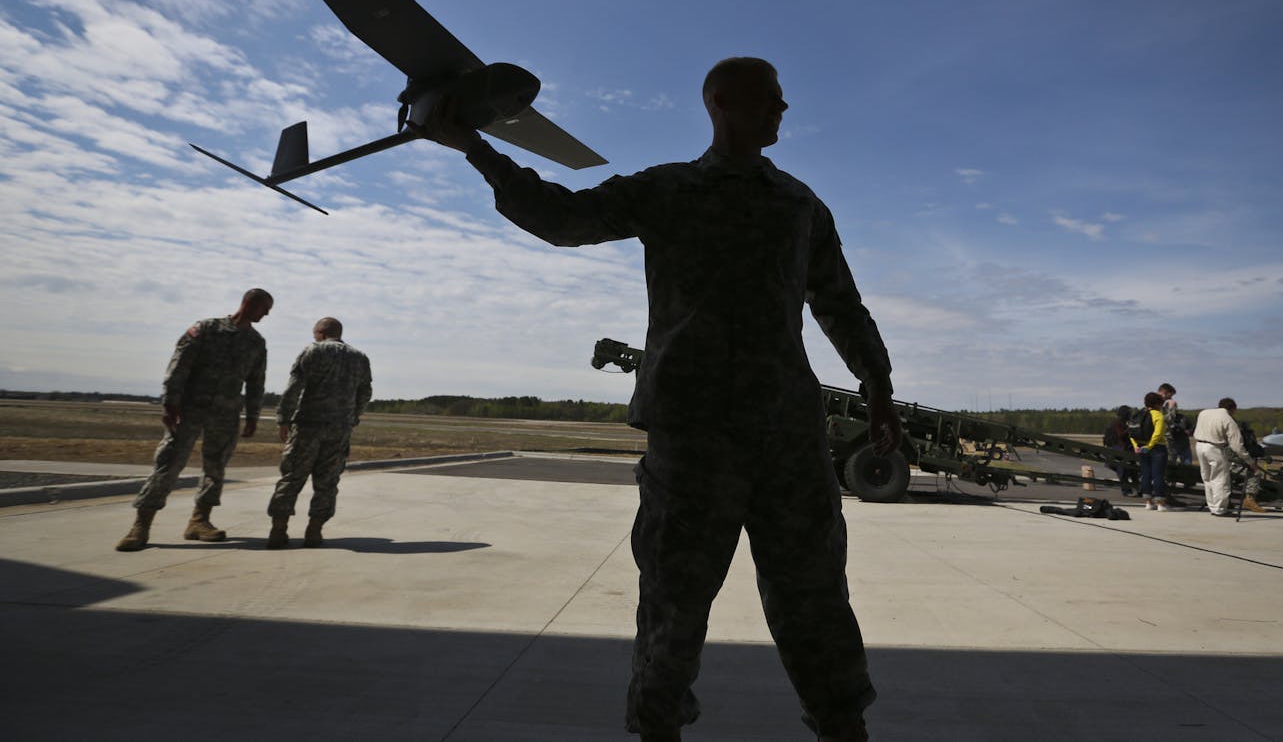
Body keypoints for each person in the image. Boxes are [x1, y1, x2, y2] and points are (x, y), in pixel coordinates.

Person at [429, 57, 902, 742]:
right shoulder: (668, 190)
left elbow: (840, 305)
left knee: (816, 598)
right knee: (674, 605)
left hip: (787, 439)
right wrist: (477, 148)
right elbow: (562, 218)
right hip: (694, 435)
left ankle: (841, 726)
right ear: (721, 101)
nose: (784, 108)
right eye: (771, 97)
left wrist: (878, 386)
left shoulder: (799, 205)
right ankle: (657, 728)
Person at [115, 288, 272, 551]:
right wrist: (170, 401)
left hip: (226, 413)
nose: (267, 314)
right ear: (248, 304)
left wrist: (252, 415)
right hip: (189, 409)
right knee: (168, 464)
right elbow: (179, 365)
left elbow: (256, 382)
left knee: (216, 467)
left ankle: (200, 521)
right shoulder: (206, 329)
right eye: (264, 308)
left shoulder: (256, 342)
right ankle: (140, 526)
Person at [265, 316, 373, 549]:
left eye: (315, 333)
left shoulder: (313, 351)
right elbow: (365, 393)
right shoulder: (360, 358)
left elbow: (294, 388)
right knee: (327, 481)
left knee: (292, 477)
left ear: (321, 333)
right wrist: (352, 417)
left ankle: (278, 530)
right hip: (339, 428)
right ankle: (314, 531)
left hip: (308, 425)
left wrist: (284, 418)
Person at [1193, 398, 1258, 517]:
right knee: (1220, 479)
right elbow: (1237, 445)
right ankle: (1220, 509)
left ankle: (1212, 506)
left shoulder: (1204, 413)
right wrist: (1250, 461)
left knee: (1207, 478)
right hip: (1214, 447)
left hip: (1199, 446)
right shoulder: (1228, 419)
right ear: (1232, 409)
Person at [1132, 391, 1171, 511]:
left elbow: (1132, 432)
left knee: (1146, 475)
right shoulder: (1158, 415)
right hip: (1157, 448)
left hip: (1141, 448)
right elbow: (1158, 433)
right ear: (1158, 404)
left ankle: (1148, 502)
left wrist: (1136, 446)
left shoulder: (1139, 415)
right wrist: (1150, 445)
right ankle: (1160, 503)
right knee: (1158, 475)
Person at [1102, 404, 1137, 495]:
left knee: (1132, 470)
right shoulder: (1117, 423)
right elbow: (1120, 436)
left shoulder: (1120, 422)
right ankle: (1126, 490)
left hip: (1122, 449)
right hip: (1119, 450)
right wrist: (1130, 429)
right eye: (1129, 413)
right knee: (1123, 470)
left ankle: (1135, 489)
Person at [1159, 382, 1192, 467]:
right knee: (1169, 464)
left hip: (1163, 440)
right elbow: (1168, 420)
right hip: (1166, 440)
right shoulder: (1160, 406)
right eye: (1170, 396)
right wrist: (1171, 408)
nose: (1170, 398)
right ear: (1164, 393)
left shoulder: (1154, 403)